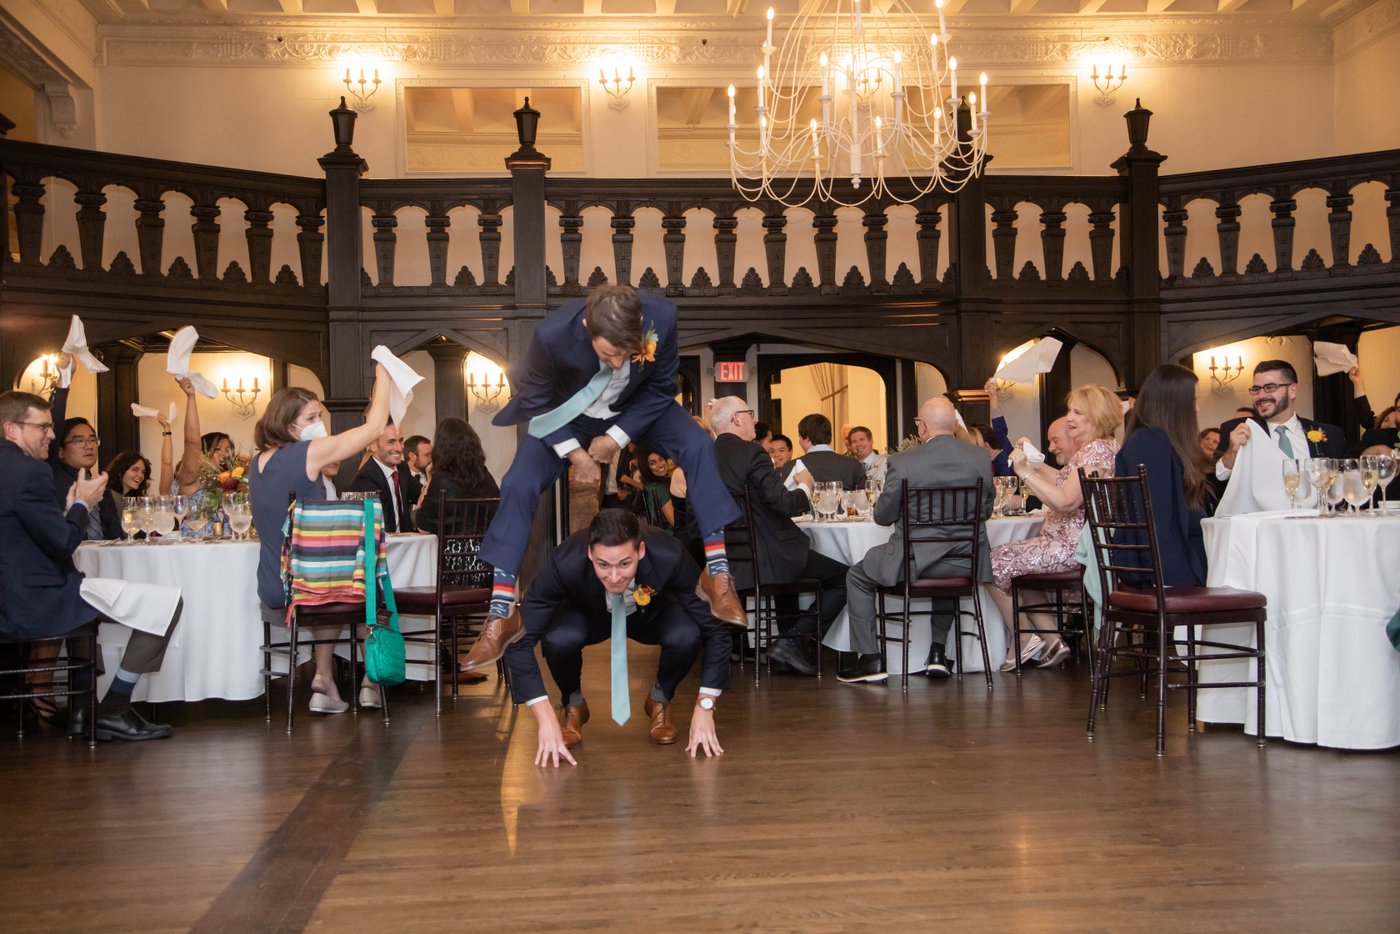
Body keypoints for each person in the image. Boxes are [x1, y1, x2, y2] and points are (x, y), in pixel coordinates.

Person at [463, 285, 745, 673]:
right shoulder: (552, 335)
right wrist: (576, 454)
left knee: (697, 444)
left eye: (626, 353)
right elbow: (537, 400)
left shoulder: (662, 317)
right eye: (607, 353)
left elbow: (662, 387)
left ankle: (716, 573)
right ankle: (500, 611)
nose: (617, 363)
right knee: (518, 482)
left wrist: (616, 438)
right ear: (585, 325)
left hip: (636, 410)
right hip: (565, 417)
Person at [0, 389, 183, 741]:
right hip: (36, 602)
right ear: (12, 429)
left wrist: (70, 512)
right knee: (168, 603)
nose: (51, 436)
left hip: (13, 597)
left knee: (90, 594)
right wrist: (82, 506)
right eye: (43, 427)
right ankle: (114, 707)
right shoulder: (30, 472)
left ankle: (85, 710)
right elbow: (63, 544)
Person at [505, 509, 729, 766]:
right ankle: (572, 703)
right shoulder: (564, 561)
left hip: (650, 615)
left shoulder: (670, 555)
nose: (614, 577)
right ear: (590, 553)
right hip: (588, 614)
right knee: (558, 638)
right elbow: (517, 639)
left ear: (641, 551)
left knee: (687, 634)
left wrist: (706, 705)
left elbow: (716, 629)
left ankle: (661, 698)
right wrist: (543, 717)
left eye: (624, 564)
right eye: (603, 565)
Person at [248, 366, 392, 714]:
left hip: (278, 582)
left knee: (334, 581)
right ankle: (371, 679)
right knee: (368, 583)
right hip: (305, 586)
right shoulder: (306, 453)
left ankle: (324, 680)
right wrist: (385, 376)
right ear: (287, 425)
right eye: (311, 417)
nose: (318, 423)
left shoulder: (257, 463)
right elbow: (374, 429)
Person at [837, 398, 994, 684]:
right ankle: (937, 652)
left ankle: (870, 659)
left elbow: (883, 517)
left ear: (922, 428)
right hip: (964, 564)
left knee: (856, 576)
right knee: (944, 565)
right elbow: (986, 510)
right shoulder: (980, 458)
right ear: (955, 425)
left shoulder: (903, 462)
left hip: (913, 563)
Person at [987, 383, 1123, 671]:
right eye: (1069, 411)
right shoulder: (1097, 449)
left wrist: (1024, 472)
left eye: (1077, 412)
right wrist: (1035, 462)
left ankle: (1023, 637)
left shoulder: (1096, 452)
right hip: (1062, 543)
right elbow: (1065, 478)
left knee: (990, 563)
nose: (1069, 418)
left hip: (1070, 548)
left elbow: (1065, 501)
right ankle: (1052, 640)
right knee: (1018, 566)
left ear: (1096, 416)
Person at [707, 397, 845, 677]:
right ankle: (790, 641)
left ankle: (788, 642)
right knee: (846, 578)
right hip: (770, 553)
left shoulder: (704, 454)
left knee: (801, 569)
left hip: (726, 556)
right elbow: (784, 504)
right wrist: (805, 487)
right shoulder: (751, 452)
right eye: (750, 414)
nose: (754, 421)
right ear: (736, 419)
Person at [1117, 364, 1214, 586]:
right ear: (1174, 405)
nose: (1197, 409)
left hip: (1174, 562)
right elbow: (1159, 523)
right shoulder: (1151, 444)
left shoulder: (1151, 441)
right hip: (1169, 571)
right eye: (1193, 401)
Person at [1213, 360, 1347, 479]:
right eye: (1256, 389)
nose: (1261, 396)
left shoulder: (1331, 434)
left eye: (1270, 388)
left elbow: (1343, 483)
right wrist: (1232, 451)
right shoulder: (1237, 429)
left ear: (1292, 391)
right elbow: (1215, 484)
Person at [415, 417, 500, 534]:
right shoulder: (485, 476)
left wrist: (429, 479)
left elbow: (423, 527)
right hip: (487, 547)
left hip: (453, 550)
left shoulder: (442, 481)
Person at [349, 422, 416, 534]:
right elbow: (374, 527)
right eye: (391, 442)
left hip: (405, 545)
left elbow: (419, 493)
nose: (399, 448)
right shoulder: (365, 479)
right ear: (373, 445)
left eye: (401, 440)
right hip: (382, 548)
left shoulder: (402, 468)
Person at [790, 413, 866, 490]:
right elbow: (864, 498)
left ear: (806, 438)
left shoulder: (791, 467)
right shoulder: (853, 464)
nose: (799, 441)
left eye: (799, 436)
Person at [99, 450, 154, 540]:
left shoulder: (132, 500)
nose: (140, 475)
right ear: (120, 471)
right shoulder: (106, 497)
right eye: (135, 470)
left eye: (143, 472)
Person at [633, 448, 675, 530]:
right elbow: (674, 522)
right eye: (653, 463)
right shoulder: (661, 487)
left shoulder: (649, 484)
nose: (660, 465)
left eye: (661, 459)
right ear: (647, 468)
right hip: (672, 536)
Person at [981, 378, 1016, 476]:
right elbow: (999, 426)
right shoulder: (1002, 444)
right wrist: (992, 396)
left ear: (986, 445)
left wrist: (993, 396)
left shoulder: (1004, 461)